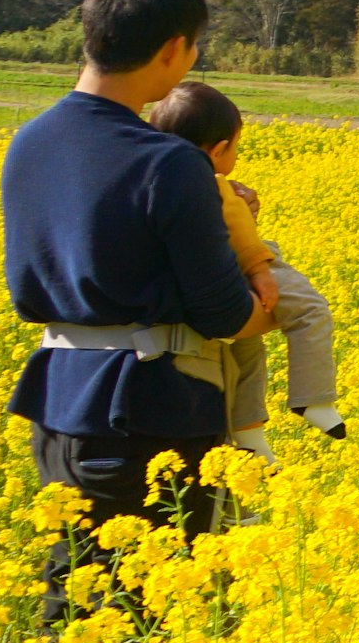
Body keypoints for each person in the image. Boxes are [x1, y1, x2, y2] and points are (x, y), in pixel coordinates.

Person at [2, 0, 275, 627]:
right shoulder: (169, 160)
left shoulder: (28, 141)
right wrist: (267, 299)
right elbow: (225, 313)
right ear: (174, 49)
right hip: (153, 412)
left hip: (58, 403)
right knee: (157, 619)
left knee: (75, 605)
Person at [144, 82, 345, 455]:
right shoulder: (212, 184)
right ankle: (314, 398)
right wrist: (261, 270)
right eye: (235, 147)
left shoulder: (153, 175)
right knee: (311, 309)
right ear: (219, 149)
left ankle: (249, 434)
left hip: (201, 280)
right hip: (245, 263)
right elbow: (239, 229)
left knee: (244, 348)